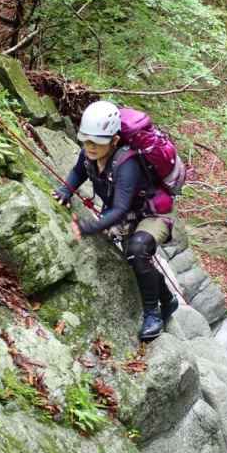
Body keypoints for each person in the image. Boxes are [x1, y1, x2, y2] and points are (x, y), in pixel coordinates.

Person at [53, 100, 179, 341]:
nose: (89, 146)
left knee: (137, 250)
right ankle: (168, 299)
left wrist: (87, 227)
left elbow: (119, 209)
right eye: (86, 140)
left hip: (153, 214)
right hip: (130, 213)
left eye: (96, 143)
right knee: (135, 260)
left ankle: (153, 313)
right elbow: (79, 171)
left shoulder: (126, 163)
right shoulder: (90, 153)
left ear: (114, 140)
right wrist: (66, 190)